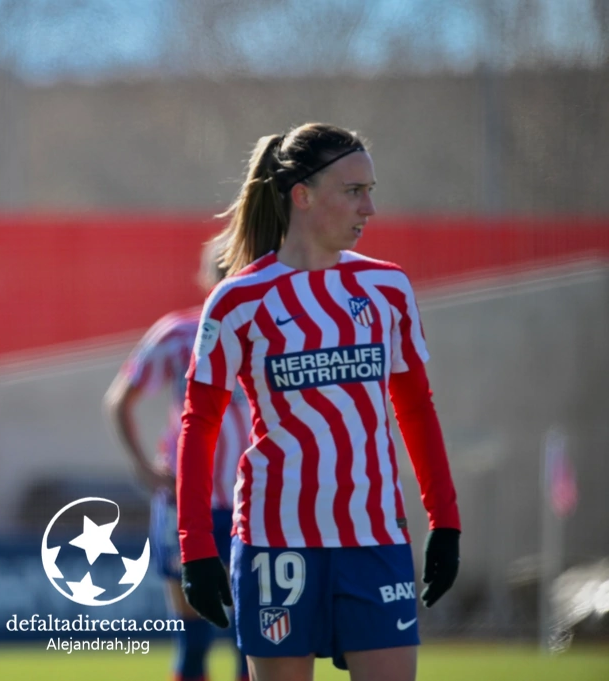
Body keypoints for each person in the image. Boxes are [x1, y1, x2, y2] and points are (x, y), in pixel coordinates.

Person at [175, 123, 461, 681]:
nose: (370, 207)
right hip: (275, 542)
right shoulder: (236, 300)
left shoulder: (388, 288)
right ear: (302, 195)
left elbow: (416, 409)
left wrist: (444, 523)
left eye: (371, 190)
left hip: (374, 538)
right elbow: (198, 425)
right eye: (354, 191)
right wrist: (196, 548)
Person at [105, 239, 251, 681]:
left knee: (253, 633)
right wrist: (144, 468)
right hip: (188, 498)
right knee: (194, 631)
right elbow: (120, 399)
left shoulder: (269, 331)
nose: (228, 278)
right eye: (221, 271)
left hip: (252, 501)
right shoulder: (179, 333)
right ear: (207, 279)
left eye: (237, 270)